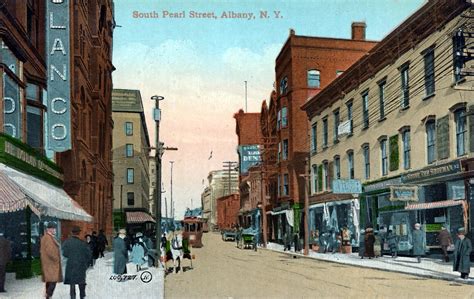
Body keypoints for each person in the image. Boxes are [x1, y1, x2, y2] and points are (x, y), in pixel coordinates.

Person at [62, 226, 92, 299]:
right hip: (81, 264)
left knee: (72, 283)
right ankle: (82, 296)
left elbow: (64, 253)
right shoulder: (83, 243)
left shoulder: (67, 242)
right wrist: (86, 264)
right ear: (79, 233)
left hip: (71, 264)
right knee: (81, 281)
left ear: (72, 233)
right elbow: (88, 255)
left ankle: (72, 296)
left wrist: (71, 256)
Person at [40, 222, 63, 299]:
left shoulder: (47, 237)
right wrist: (56, 258)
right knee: (53, 280)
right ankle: (48, 295)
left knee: (50, 280)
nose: (54, 230)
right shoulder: (48, 238)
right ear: (49, 229)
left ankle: (48, 295)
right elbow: (50, 251)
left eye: (54, 228)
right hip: (51, 263)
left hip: (48, 263)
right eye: (53, 228)